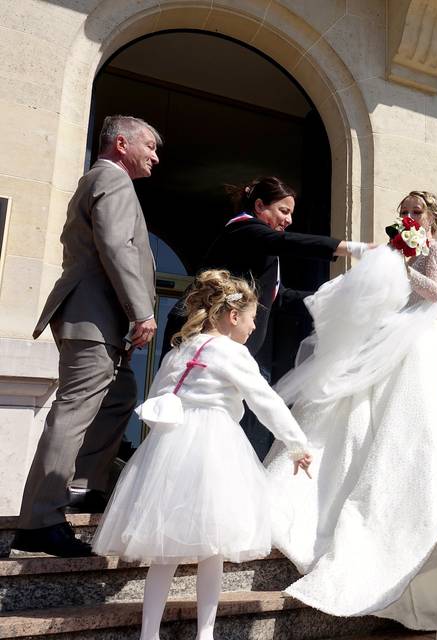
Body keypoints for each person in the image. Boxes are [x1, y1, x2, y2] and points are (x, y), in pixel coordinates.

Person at [265, 191, 437, 629]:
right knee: (347, 413)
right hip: (390, 332)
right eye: (403, 212)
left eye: (416, 212)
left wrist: (404, 263)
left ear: (432, 217)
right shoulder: (405, 244)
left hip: (417, 339)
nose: (408, 217)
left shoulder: (436, 244)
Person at [91, 269, 314, 640]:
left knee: (165, 552)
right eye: (253, 319)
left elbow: (161, 397)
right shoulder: (233, 352)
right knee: (215, 547)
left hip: (171, 446)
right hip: (215, 445)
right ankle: (205, 634)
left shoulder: (180, 350)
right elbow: (265, 400)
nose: (255, 328)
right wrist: (296, 443)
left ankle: (149, 633)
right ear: (232, 316)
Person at [12, 115, 161, 557]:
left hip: (101, 322)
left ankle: (83, 486)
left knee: (119, 396)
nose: (155, 156)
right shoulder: (112, 180)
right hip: (92, 319)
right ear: (121, 144)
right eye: (150, 147)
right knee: (74, 411)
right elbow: (116, 247)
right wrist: (143, 312)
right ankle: (39, 523)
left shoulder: (105, 180)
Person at [161, 176, 367, 456]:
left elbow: (278, 298)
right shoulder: (243, 229)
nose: (290, 220)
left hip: (239, 349)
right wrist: (352, 248)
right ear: (259, 206)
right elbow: (286, 242)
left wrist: (330, 299)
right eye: (284, 211)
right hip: (203, 344)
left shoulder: (265, 249)